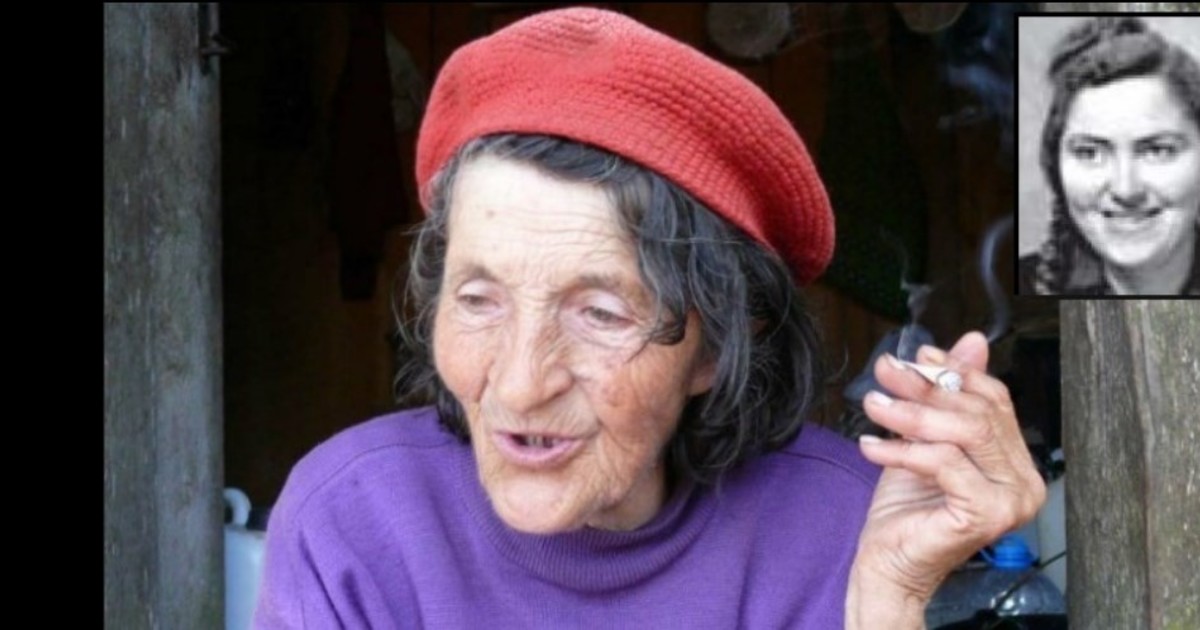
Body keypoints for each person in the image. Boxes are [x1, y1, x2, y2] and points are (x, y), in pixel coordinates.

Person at [255, 8, 1045, 628]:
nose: (521, 386)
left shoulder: (839, 526)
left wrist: (887, 599)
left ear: (717, 346)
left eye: (599, 314)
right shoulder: (355, 523)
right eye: (478, 300)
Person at [1019, 16, 1200, 295]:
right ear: (1056, 167)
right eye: (1089, 153)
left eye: (1157, 150)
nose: (1125, 190)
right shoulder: (1012, 292)